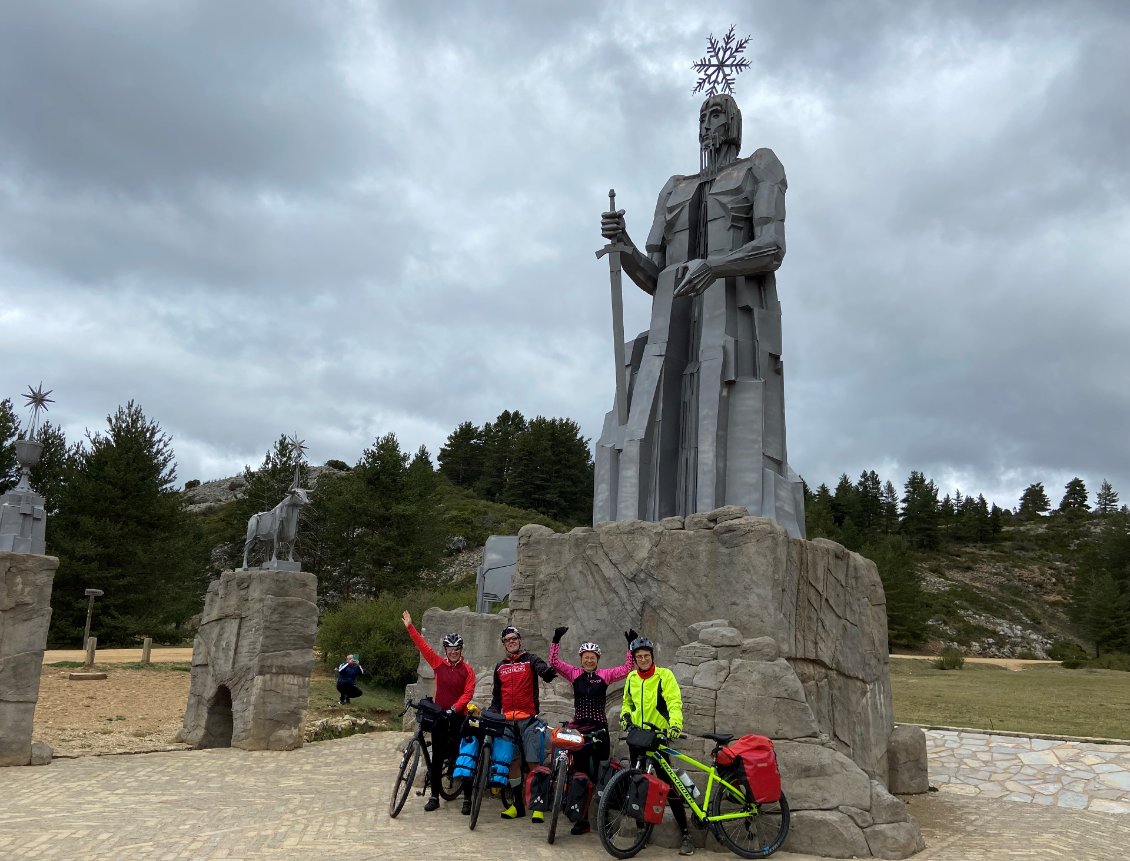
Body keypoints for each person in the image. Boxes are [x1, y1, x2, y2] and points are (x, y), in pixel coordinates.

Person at [594, 92, 805, 538]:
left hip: (731, 316)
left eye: (716, 113)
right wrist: (625, 244)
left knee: (725, 406)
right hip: (672, 327)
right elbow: (655, 277)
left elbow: (772, 247)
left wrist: (715, 267)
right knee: (645, 408)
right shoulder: (674, 188)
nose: (708, 123)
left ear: (734, 122)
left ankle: (731, 528)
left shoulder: (760, 167)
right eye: (702, 115)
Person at [548, 625, 637, 835]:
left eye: (593, 657)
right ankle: (582, 819)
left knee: (601, 775)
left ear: (598, 659)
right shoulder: (574, 673)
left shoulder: (605, 676)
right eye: (586, 657)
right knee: (580, 774)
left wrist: (630, 647)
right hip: (579, 730)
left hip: (600, 730)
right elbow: (553, 663)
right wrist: (556, 639)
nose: (589, 660)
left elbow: (627, 669)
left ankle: (603, 818)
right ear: (581, 659)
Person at [619, 636, 694, 856]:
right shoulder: (632, 678)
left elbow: (674, 702)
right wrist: (625, 716)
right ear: (634, 659)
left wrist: (675, 726)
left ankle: (686, 835)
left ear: (652, 657)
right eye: (639, 657)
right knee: (638, 783)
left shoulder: (664, 676)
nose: (643, 659)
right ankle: (642, 834)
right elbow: (627, 702)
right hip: (637, 738)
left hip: (658, 736)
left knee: (668, 785)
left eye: (646, 656)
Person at [402, 610, 476, 814]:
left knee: (463, 757)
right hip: (440, 718)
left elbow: (468, 692)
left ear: (461, 650)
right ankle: (434, 796)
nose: (453, 652)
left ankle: (468, 798)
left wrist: (455, 709)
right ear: (446, 649)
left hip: (458, 717)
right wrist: (410, 627)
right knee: (436, 759)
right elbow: (423, 647)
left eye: (457, 649)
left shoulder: (467, 670)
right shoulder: (438, 664)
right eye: (450, 649)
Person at [489, 624, 557, 821]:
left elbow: (541, 668)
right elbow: (496, 698)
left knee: (534, 762)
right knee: (513, 763)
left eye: (514, 638)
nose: (511, 642)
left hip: (529, 720)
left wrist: (547, 673)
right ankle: (517, 805)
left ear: (519, 641)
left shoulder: (530, 659)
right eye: (507, 640)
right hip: (508, 723)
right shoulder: (500, 667)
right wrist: (492, 713)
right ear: (503, 644)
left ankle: (537, 806)